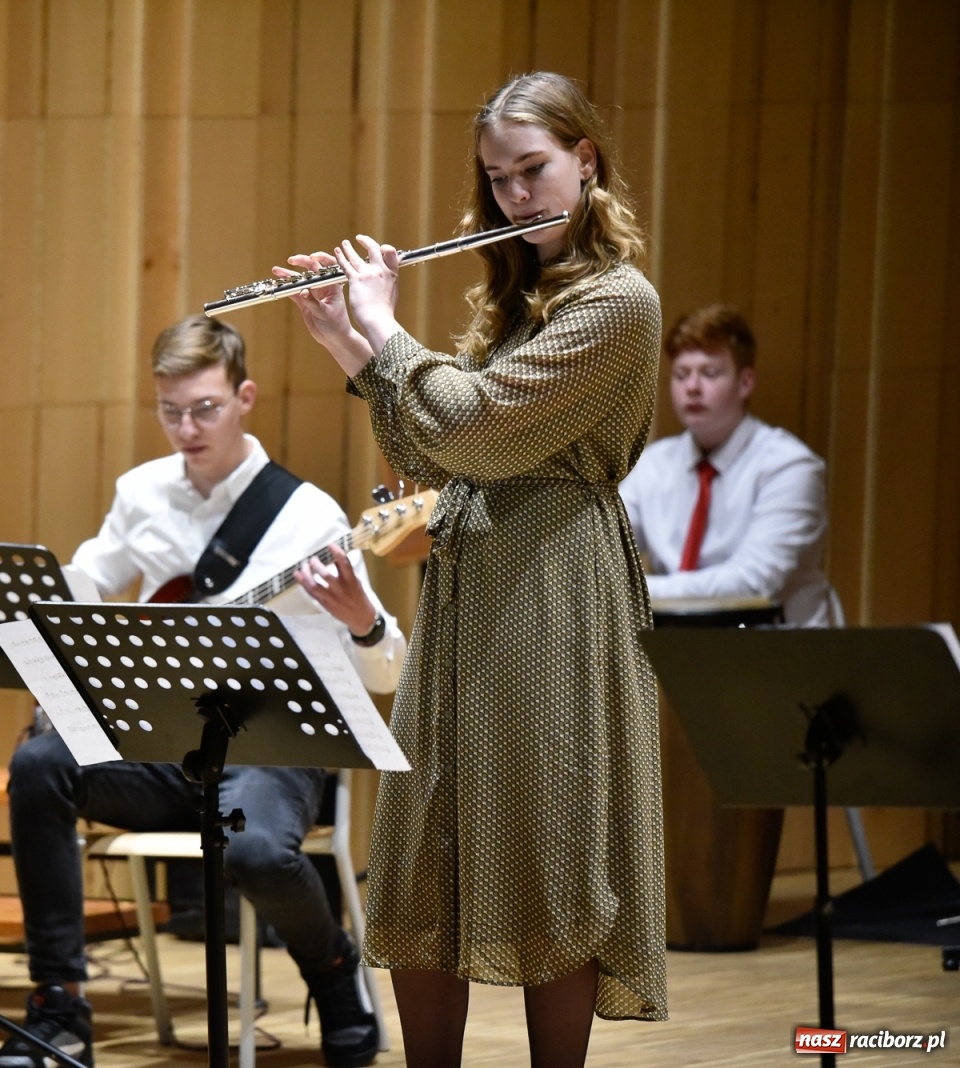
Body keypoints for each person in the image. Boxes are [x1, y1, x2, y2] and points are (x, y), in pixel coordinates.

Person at [281, 72, 668, 1067]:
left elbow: (476, 425)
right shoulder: (515, 297)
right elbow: (431, 458)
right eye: (497, 180)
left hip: (555, 581)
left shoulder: (621, 302)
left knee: (551, 845)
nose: (515, 197)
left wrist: (385, 327)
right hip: (471, 573)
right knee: (420, 851)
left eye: (533, 171)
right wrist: (352, 349)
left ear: (587, 159)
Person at [0, 314, 407, 1068]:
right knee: (37, 768)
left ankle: (336, 972)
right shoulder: (141, 493)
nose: (187, 428)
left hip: (270, 751)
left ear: (245, 397)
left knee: (253, 850)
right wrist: (57, 678)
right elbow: (83, 586)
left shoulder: (308, 515)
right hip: (161, 750)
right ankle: (59, 1004)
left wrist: (363, 621)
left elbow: (389, 676)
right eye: (171, 410)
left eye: (205, 408)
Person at [619, 304, 837, 625]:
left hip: (782, 654)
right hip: (681, 646)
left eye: (709, 373)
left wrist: (631, 591)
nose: (692, 387)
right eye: (681, 375)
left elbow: (750, 583)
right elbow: (605, 545)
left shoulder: (790, 466)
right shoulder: (653, 464)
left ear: (746, 382)